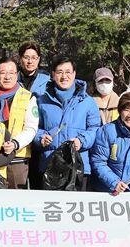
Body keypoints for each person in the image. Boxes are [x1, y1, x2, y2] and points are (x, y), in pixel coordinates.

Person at [34, 55, 101, 190]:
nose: (64, 76)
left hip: (78, 166)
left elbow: (95, 129)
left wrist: (81, 141)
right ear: (53, 74)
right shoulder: (41, 101)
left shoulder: (87, 102)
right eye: (59, 72)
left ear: (74, 74)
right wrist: (41, 138)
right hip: (50, 166)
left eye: (68, 72)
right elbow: (34, 128)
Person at [90, 92, 130, 194]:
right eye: (126, 110)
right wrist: (115, 183)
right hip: (105, 191)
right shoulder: (106, 131)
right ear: (120, 111)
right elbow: (98, 161)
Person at [0, 57, 39, 189]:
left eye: (11, 73)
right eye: (2, 72)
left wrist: (15, 143)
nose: (7, 77)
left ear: (17, 75)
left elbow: (31, 128)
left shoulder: (28, 97)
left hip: (17, 159)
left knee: (16, 198)